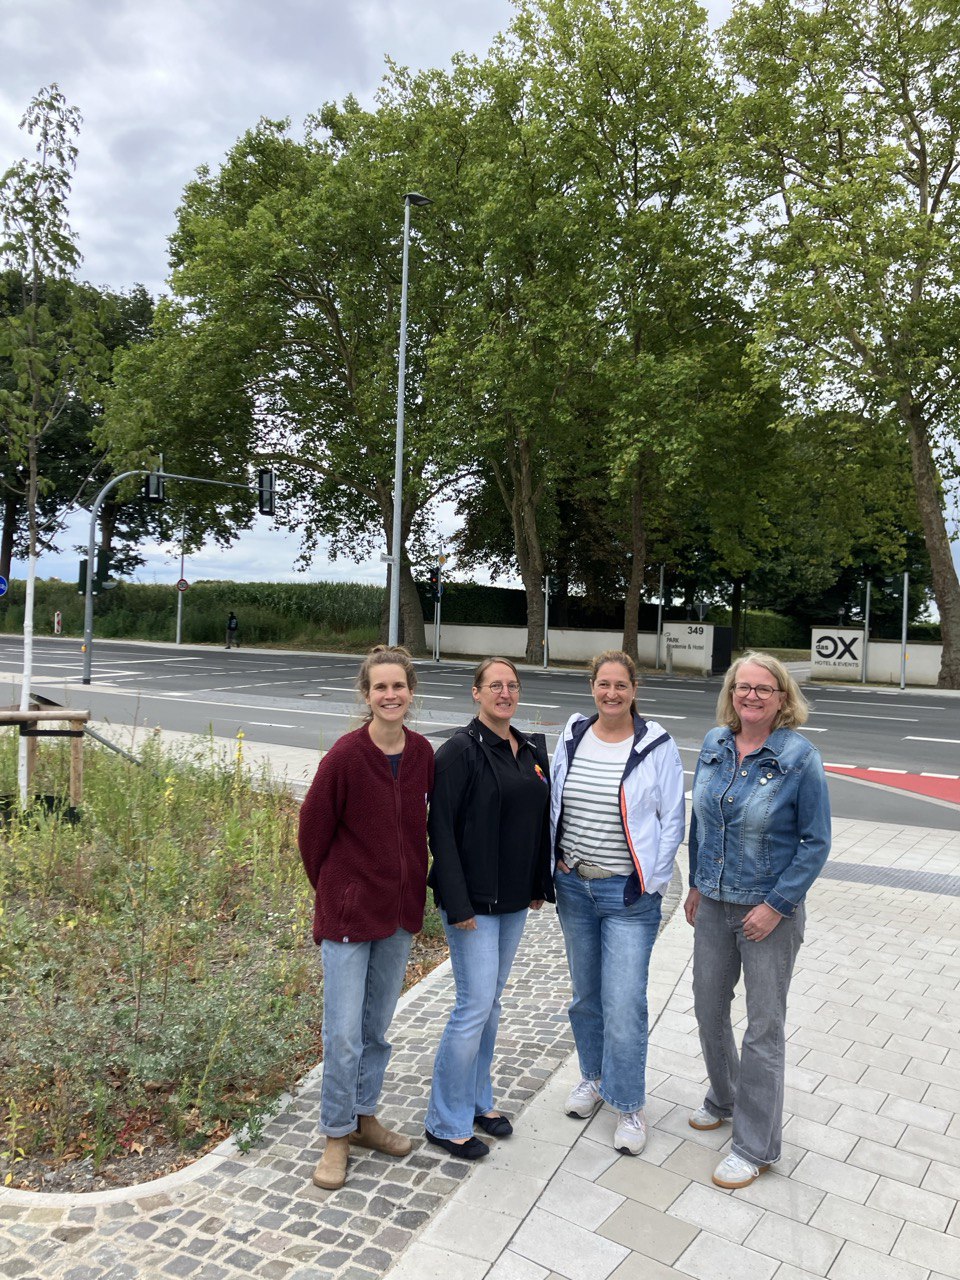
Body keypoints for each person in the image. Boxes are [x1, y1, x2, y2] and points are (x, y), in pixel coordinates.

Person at [684, 651, 831, 1190]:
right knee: (708, 1009)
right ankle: (724, 1097)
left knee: (763, 1028)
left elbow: (816, 842)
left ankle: (754, 1147)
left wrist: (776, 905)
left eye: (763, 689)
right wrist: (695, 882)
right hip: (713, 903)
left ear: (782, 698)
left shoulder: (799, 757)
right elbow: (700, 821)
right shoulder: (714, 743)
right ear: (731, 693)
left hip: (770, 912)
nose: (751, 696)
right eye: (742, 687)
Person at [298, 645, 434, 1191]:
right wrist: (339, 889)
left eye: (398, 686)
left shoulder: (421, 753)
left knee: (376, 1029)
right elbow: (312, 831)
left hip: (398, 913)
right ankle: (336, 1133)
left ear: (411, 692)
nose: (390, 695)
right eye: (380, 687)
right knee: (343, 1034)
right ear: (367, 694)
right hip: (350, 916)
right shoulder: (346, 756)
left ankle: (364, 1118)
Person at [551, 650, 686, 1156]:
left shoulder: (656, 745)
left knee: (624, 1002)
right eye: (603, 684)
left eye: (620, 685)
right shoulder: (573, 735)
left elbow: (673, 819)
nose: (611, 693)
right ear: (592, 687)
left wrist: (651, 883)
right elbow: (555, 800)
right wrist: (555, 859)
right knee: (585, 996)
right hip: (575, 888)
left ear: (634, 690)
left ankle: (628, 1104)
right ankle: (593, 1077)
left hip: (627, 893)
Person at [424, 657, 554, 1160]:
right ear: (475, 693)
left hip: (514, 899)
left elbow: (539, 822)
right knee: (473, 1005)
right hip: (473, 904)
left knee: (490, 1005)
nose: (505, 693)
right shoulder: (459, 751)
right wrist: (457, 903)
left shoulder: (530, 748)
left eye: (512, 685)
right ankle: (444, 1121)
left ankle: (478, 1101)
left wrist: (539, 884)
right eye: (495, 685)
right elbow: (441, 832)